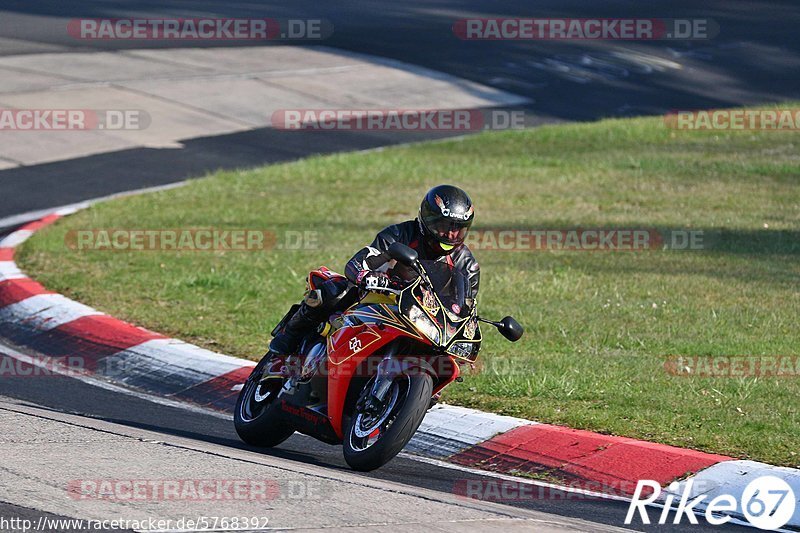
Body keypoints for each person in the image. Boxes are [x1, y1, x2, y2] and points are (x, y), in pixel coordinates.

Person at [267, 184, 480, 357]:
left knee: (447, 348)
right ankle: (290, 334)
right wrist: (368, 276)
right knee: (334, 291)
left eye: (458, 228)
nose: (451, 235)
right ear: (429, 219)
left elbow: (463, 308)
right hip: (375, 298)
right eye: (445, 226)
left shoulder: (466, 264)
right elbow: (358, 263)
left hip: (418, 317)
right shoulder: (400, 234)